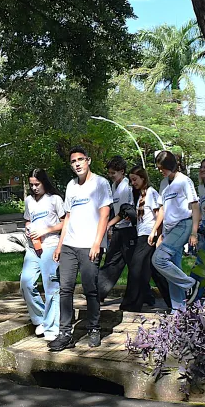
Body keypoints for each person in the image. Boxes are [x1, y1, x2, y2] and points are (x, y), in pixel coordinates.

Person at [50, 146, 112, 351]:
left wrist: (97, 243)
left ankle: (94, 328)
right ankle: (65, 333)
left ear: (88, 161)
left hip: (89, 246)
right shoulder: (71, 186)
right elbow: (68, 217)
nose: (77, 164)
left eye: (80, 159)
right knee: (65, 289)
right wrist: (59, 245)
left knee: (90, 289)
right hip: (69, 245)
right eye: (73, 161)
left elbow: (105, 215)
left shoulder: (101, 183)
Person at [150, 150, 200, 310]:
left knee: (159, 259)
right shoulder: (164, 183)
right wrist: (157, 232)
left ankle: (191, 284)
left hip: (183, 225)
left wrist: (194, 231)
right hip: (169, 230)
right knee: (173, 269)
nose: (160, 171)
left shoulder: (185, 181)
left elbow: (195, 206)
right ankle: (178, 311)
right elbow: (163, 210)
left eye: (162, 167)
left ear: (170, 165)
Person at [20, 169, 65, 341]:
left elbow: (65, 222)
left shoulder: (55, 199)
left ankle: (52, 327)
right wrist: (28, 227)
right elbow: (28, 219)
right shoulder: (29, 201)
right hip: (33, 248)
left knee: (51, 286)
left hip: (51, 245)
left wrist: (47, 230)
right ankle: (40, 319)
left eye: (37, 184)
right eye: (31, 185)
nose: (34, 188)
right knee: (26, 282)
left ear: (44, 182)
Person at [122, 165, 169, 311]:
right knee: (152, 271)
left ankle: (131, 303)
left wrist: (156, 233)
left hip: (148, 236)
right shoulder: (141, 196)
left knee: (136, 267)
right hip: (142, 234)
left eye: (135, 179)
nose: (133, 183)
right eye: (131, 180)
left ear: (143, 178)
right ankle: (174, 300)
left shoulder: (151, 193)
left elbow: (160, 213)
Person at [98, 156, 136, 303]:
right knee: (111, 262)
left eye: (114, 173)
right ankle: (99, 292)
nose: (111, 176)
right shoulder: (114, 186)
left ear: (122, 172)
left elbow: (125, 211)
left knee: (134, 265)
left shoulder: (126, 187)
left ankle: (145, 296)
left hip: (129, 230)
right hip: (119, 229)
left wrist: (109, 224)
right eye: (110, 173)